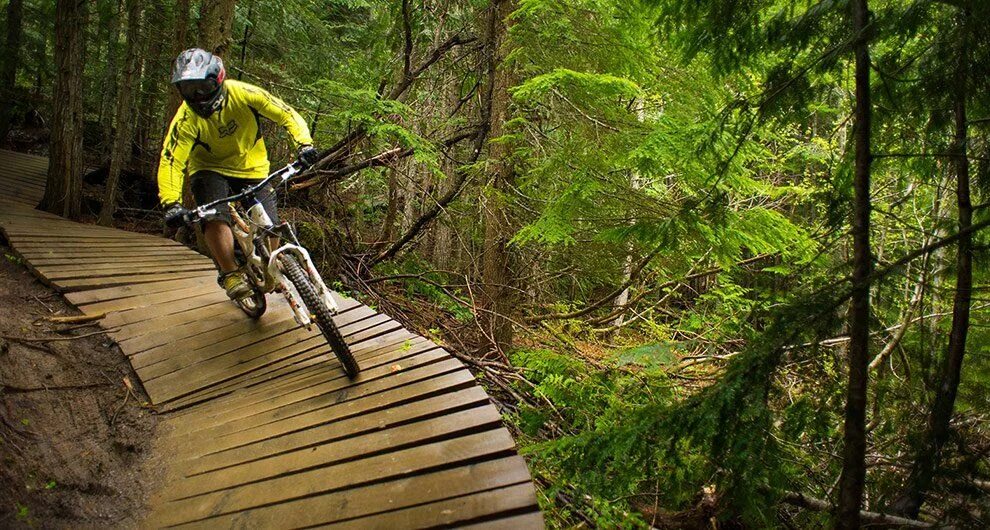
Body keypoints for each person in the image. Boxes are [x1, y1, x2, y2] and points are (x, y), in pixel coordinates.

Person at [157, 48, 319, 300]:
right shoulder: (185, 120)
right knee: (213, 218)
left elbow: (285, 113)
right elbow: (171, 160)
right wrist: (171, 203)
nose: (197, 95)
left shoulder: (244, 93)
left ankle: (271, 267)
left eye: (202, 86)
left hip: (252, 167)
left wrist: (304, 144)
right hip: (208, 169)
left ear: (218, 79)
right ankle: (230, 272)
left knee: (271, 225)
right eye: (188, 89)